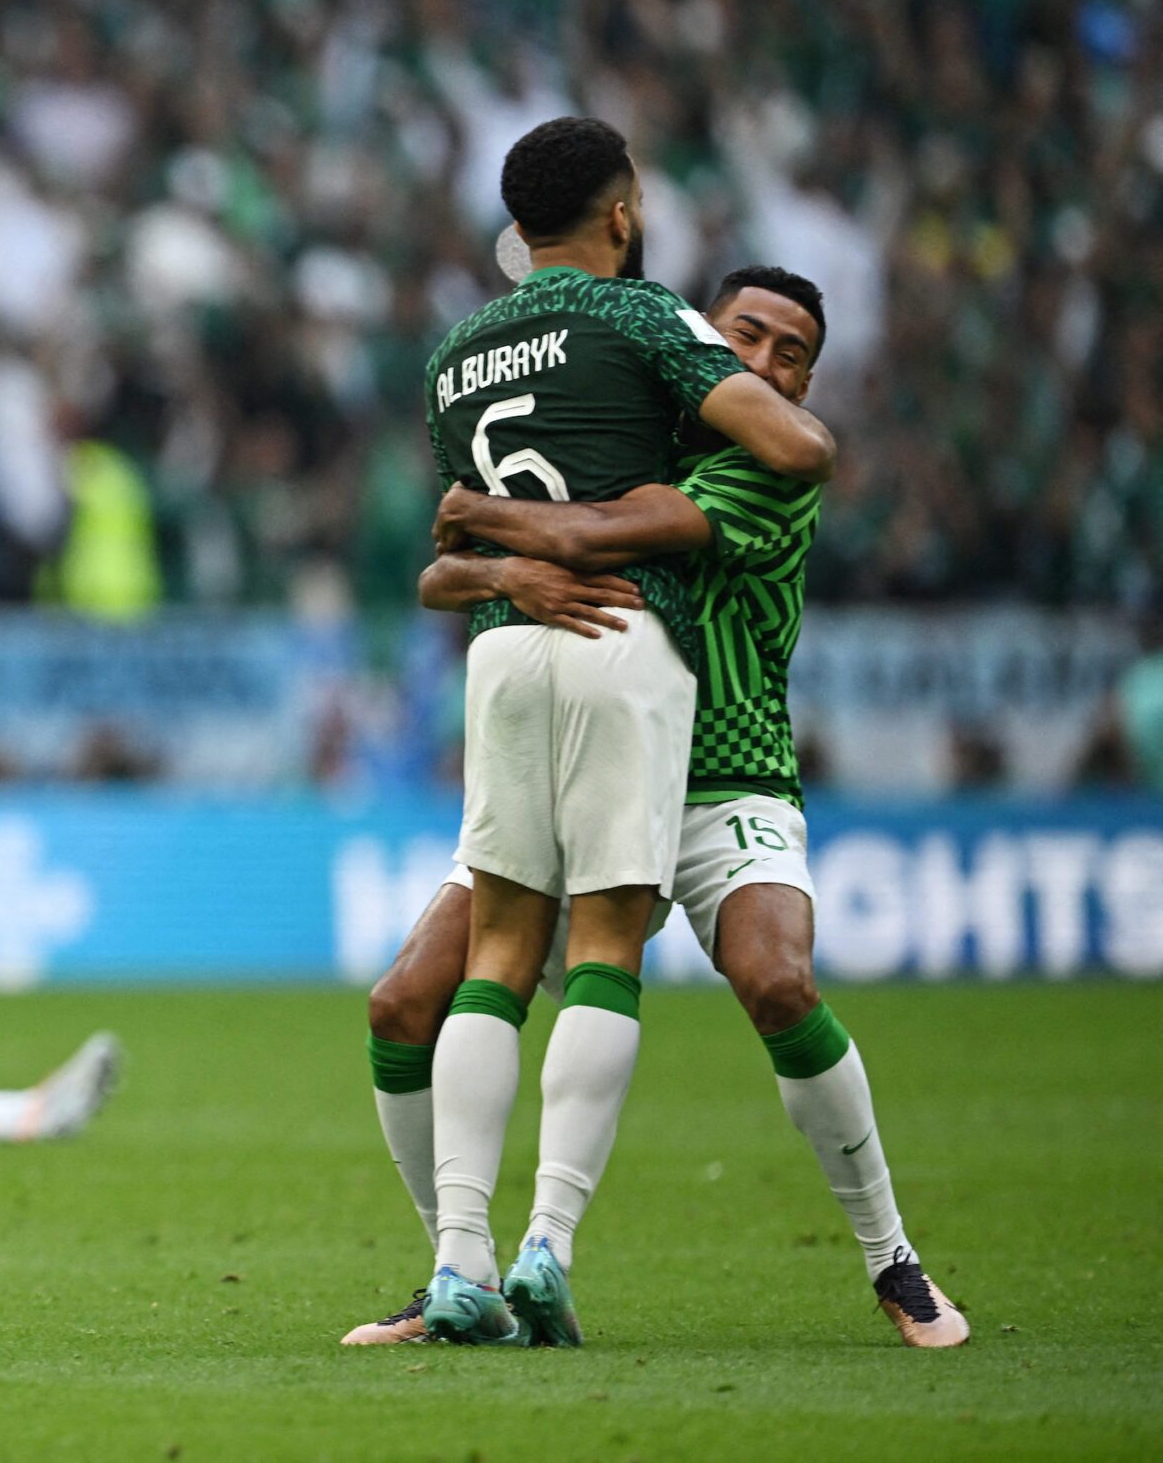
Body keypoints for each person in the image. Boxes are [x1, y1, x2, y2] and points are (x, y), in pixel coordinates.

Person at [343, 265, 967, 1349]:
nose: (768, 366)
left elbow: (588, 538)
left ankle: (892, 1260)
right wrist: (503, 575)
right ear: (703, 343)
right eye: (749, 339)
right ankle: (459, 1267)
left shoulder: (769, 469)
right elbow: (438, 580)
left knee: (778, 980)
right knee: (402, 1002)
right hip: (581, 758)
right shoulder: (635, 432)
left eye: (793, 356)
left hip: (721, 769)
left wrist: (488, 524)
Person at [415, 118, 837, 1347]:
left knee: (495, 955)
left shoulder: (453, 354)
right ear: (621, 212)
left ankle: (456, 1264)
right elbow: (794, 445)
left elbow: (454, 551)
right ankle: (545, 1244)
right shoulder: (643, 316)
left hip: (499, 653)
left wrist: (508, 563)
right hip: (622, 636)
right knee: (604, 947)